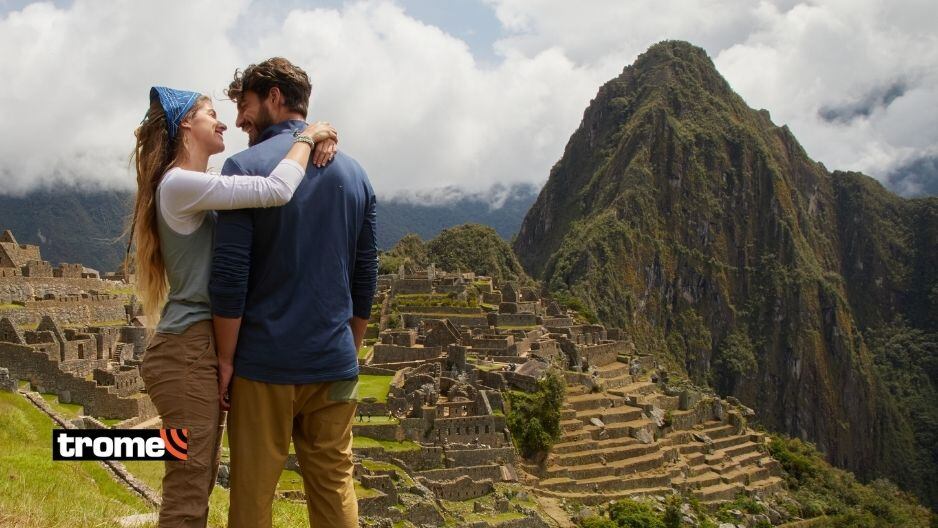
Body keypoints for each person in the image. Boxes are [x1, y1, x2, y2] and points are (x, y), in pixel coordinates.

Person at [130, 85, 339, 528]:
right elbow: (277, 189)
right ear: (186, 123)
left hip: (193, 352)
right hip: (185, 354)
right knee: (188, 490)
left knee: (197, 479)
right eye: (210, 113)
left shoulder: (190, 188)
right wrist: (307, 135)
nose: (223, 121)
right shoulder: (179, 184)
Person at [210, 57, 378, 528]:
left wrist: (226, 360)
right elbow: (366, 275)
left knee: (252, 491)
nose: (241, 118)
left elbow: (230, 275)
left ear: (274, 98)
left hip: (266, 364)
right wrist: (350, 345)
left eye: (244, 105)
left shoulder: (244, 167)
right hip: (334, 361)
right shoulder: (356, 175)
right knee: (334, 486)